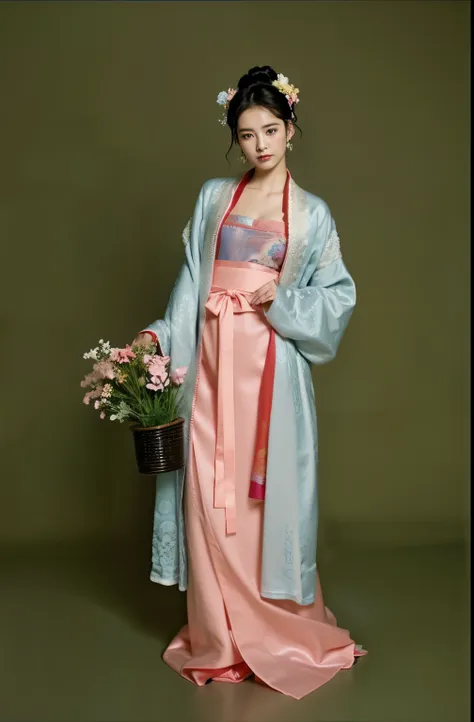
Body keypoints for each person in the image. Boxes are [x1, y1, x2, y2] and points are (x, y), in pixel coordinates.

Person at [132, 65, 367, 700]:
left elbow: (337, 300)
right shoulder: (214, 198)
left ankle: (272, 631)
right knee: (208, 496)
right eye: (246, 134)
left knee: (261, 505)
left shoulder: (312, 215)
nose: (260, 145)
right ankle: (219, 639)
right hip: (209, 368)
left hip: (269, 378)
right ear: (233, 139)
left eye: (271, 130)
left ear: (291, 129)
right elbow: (190, 286)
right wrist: (158, 339)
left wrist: (281, 299)